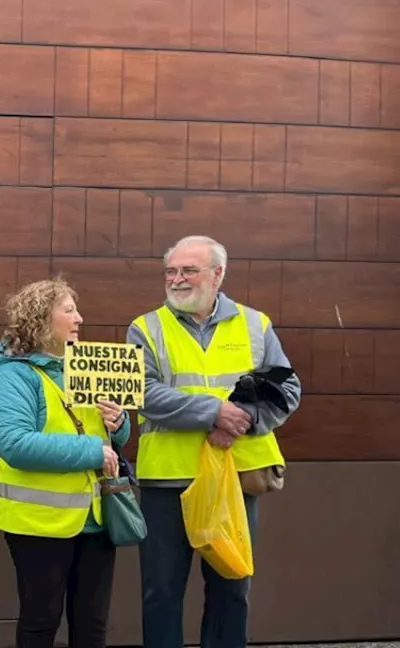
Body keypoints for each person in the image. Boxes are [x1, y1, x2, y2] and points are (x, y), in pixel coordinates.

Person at [128, 235, 300, 648]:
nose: (178, 279)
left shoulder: (255, 324)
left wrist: (244, 420)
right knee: (161, 593)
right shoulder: (145, 327)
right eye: (171, 271)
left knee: (232, 587)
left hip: (236, 480)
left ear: (218, 274)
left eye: (189, 270)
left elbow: (287, 389)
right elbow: (143, 393)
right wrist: (213, 413)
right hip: (168, 480)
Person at [0, 278, 131, 648]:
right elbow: (14, 444)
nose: (79, 318)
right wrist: (94, 452)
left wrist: (120, 422)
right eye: (68, 310)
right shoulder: (11, 374)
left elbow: (113, 440)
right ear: (40, 319)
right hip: (39, 523)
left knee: (92, 626)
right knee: (40, 623)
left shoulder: (82, 366)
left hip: (96, 518)